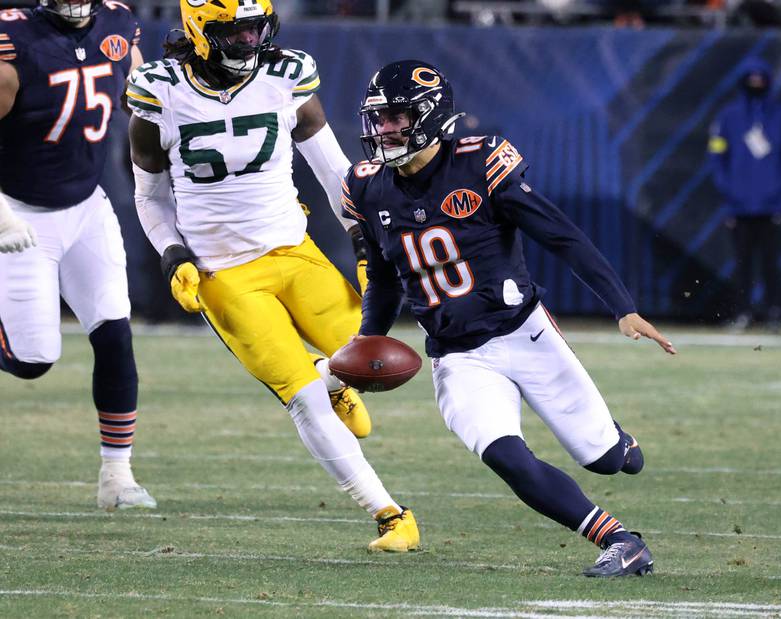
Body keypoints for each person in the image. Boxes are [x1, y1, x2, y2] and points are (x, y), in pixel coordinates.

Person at [343, 60, 677, 576]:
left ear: (432, 117)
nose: (385, 130)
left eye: (397, 118)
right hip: (455, 355)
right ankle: (621, 541)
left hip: (525, 333)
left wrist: (622, 306)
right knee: (506, 457)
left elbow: (560, 234)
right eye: (379, 119)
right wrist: (366, 343)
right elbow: (384, 278)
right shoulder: (367, 187)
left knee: (608, 460)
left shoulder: (480, 164)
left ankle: (618, 442)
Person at [126, 0, 419, 551]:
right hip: (225, 274)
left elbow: (334, 170)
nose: (247, 42)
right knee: (303, 397)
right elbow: (149, 194)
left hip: (295, 253)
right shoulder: (159, 90)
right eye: (232, 32)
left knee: (373, 359)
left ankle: (332, 378)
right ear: (198, 30)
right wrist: (172, 254)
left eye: (255, 29)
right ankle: (389, 514)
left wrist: (362, 239)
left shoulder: (285, 75)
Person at [0, 0, 156, 511]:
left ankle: (118, 476)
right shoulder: (14, 40)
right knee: (32, 360)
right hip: (19, 211)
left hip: (87, 205)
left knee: (115, 332)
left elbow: (142, 98)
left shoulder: (117, 23)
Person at [708, 58, 781, 330]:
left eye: (761, 79)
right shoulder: (728, 116)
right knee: (742, 264)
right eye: (752, 79)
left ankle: (775, 312)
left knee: (772, 263)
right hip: (738, 206)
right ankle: (743, 313)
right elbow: (716, 155)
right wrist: (729, 193)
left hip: (773, 205)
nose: (756, 84)